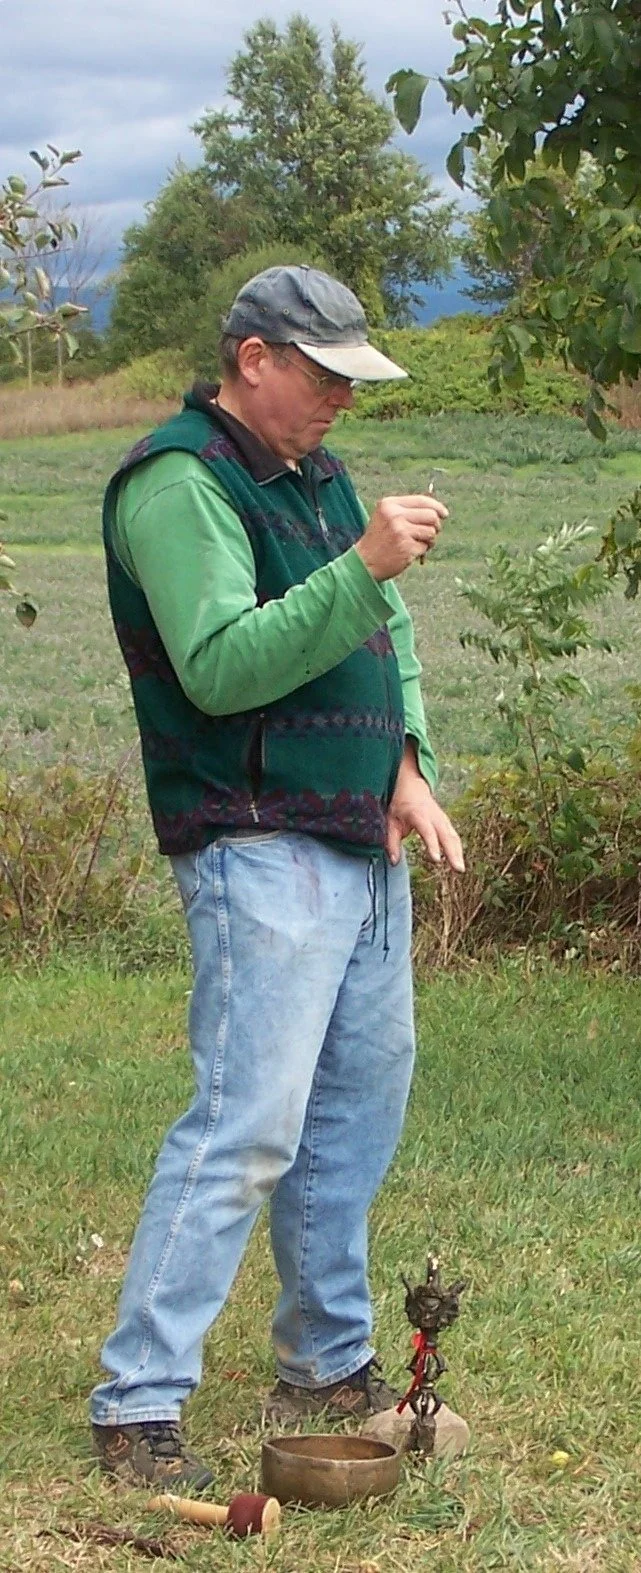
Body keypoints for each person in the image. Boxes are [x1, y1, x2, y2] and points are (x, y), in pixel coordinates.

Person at [91, 264, 465, 1491]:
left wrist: (404, 763)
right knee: (246, 1125)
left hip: (359, 836)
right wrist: (361, 563)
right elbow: (217, 666)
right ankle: (138, 1402)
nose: (340, 405)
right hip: (255, 839)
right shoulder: (179, 480)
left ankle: (326, 1365)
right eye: (323, 377)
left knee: (354, 1114)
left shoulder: (315, 475)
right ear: (253, 358)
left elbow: (386, 636)